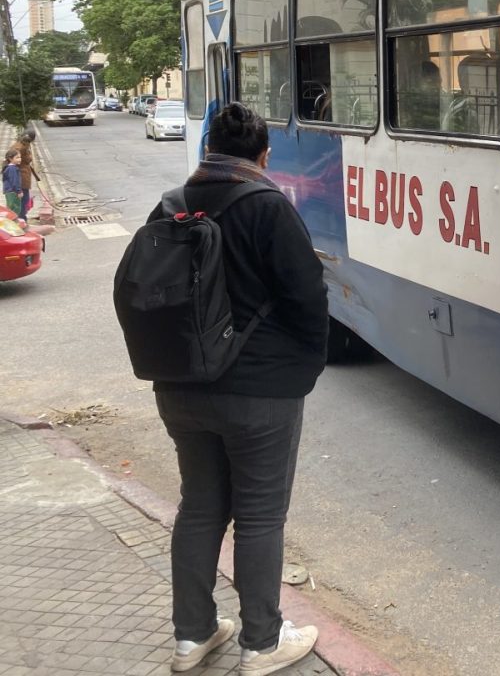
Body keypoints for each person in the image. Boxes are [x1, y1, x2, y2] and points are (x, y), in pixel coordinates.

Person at [149, 103, 328, 674]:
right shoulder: (267, 206)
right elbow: (308, 299)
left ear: (207, 151)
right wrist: (304, 368)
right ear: (263, 155)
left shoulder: (172, 205)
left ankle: (192, 637)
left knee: (199, 506)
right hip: (259, 393)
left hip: (179, 385)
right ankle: (261, 643)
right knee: (259, 516)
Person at [7, 129, 39, 221]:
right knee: (22, 201)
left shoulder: (17, 145)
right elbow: (28, 160)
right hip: (22, 178)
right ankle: (21, 220)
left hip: (20, 178)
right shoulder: (22, 148)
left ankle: (20, 219)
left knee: (19, 201)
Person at [3, 149, 21, 214]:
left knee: (10, 209)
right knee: (14, 210)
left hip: (10, 192)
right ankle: (12, 223)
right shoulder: (12, 168)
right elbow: (14, 181)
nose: (20, 159)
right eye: (17, 157)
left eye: (20, 157)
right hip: (13, 192)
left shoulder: (10, 167)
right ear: (10, 159)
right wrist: (19, 191)